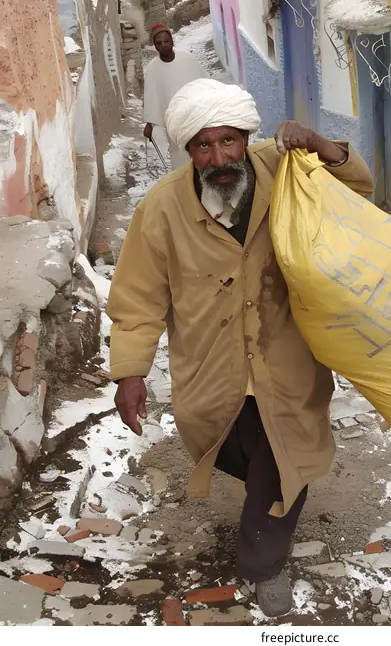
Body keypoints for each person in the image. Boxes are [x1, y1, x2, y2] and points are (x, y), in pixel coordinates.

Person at [108, 78, 373, 617]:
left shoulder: (288, 171)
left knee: (280, 459)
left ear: (246, 136)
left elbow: (359, 192)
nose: (220, 156)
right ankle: (268, 491)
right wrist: (130, 373)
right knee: (234, 449)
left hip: (287, 359)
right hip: (210, 368)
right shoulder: (161, 210)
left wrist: (326, 148)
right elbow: (137, 298)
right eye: (204, 145)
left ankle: (264, 565)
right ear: (188, 150)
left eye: (229, 141)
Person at [142, 24, 204, 169]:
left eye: (166, 41)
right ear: (155, 46)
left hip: (195, 116)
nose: (163, 45)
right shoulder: (152, 69)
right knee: (179, 155)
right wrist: (149, 124)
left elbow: (203, 85)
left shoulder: (189, 60)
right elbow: (152, 96)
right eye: (159, 43)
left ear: (172, 41)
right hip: (173, 121)